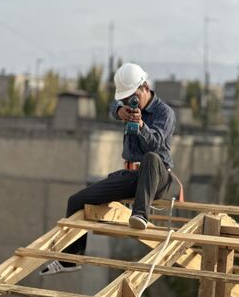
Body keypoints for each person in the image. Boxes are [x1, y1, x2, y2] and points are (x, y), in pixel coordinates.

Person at [40, 63, 176, 275]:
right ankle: (71, 259)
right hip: (134, 176)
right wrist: (120, 110)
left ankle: (141, 215)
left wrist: (141, 126)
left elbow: (156, 146)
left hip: (157, 178)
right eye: (125, 99)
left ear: (145, 87)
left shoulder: (164, 113)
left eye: (133, 97)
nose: (131, 103)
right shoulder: (126, 107)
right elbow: (112, 107)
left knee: (150, 157)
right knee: (76, 201)